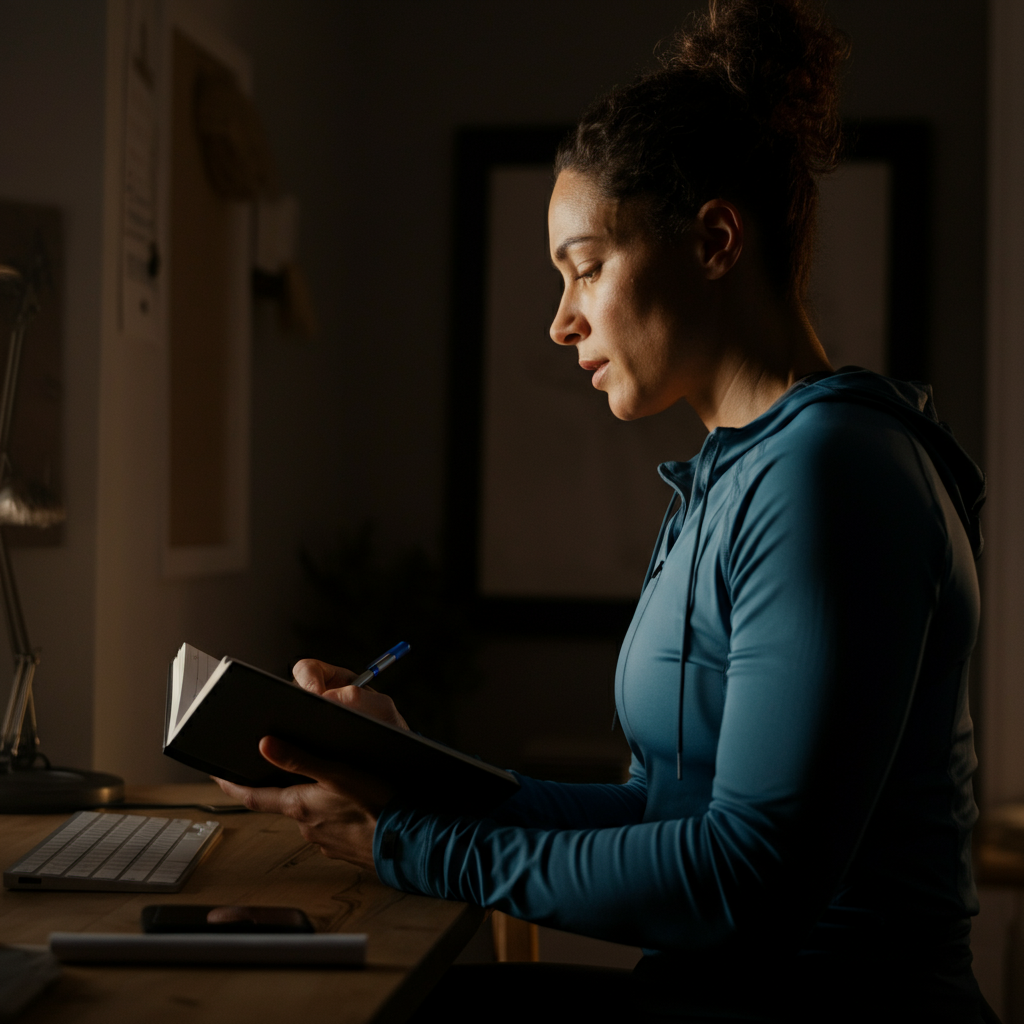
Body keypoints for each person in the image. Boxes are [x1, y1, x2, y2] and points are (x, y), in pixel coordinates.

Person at [215, 2, 994, 1020]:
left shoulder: (831, 475)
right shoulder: (733, 473)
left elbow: (742, 878)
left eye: (585, 266)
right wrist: (409, 772)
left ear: (714, 239)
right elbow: (660, 813)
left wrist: (418, 841)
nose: (560, 318)